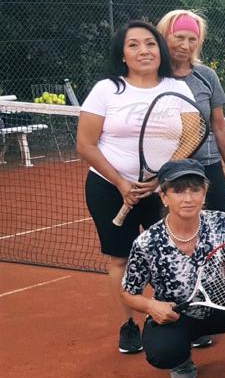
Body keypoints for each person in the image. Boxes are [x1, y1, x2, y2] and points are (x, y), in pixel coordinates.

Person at [76, 20, 196, 355]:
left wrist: (161, 179)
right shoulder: (106, 90)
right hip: (108, 188)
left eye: (150, 43)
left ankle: (182, 317)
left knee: (172, 254)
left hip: (161, 189)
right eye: (134, 45)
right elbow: (85, 144)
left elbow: (189, 136)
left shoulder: (177, 87)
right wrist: (121, 182)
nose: (143, 50)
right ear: (123, 54)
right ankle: (129, 323)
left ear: (160, 49)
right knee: (121, 258)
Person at [121, 159, 225, 378]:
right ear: (164, 197)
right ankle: (181, 357)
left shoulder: (221, 223)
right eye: (178, 191)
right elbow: (128, 293)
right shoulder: (147, 242)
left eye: (195, 189)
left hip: (221, 305)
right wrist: (151, 305)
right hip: (177, 314)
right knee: (163, 353)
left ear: (204, 194)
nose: (188, 198)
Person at [157, 10, 225, 216]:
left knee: (220, 228)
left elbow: (219, 125)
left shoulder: (206, 76)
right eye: (179, 37)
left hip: (208, 167)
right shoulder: (150, 77)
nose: (185, 45)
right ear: (164, 36)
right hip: (166, 169)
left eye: (193, 39)